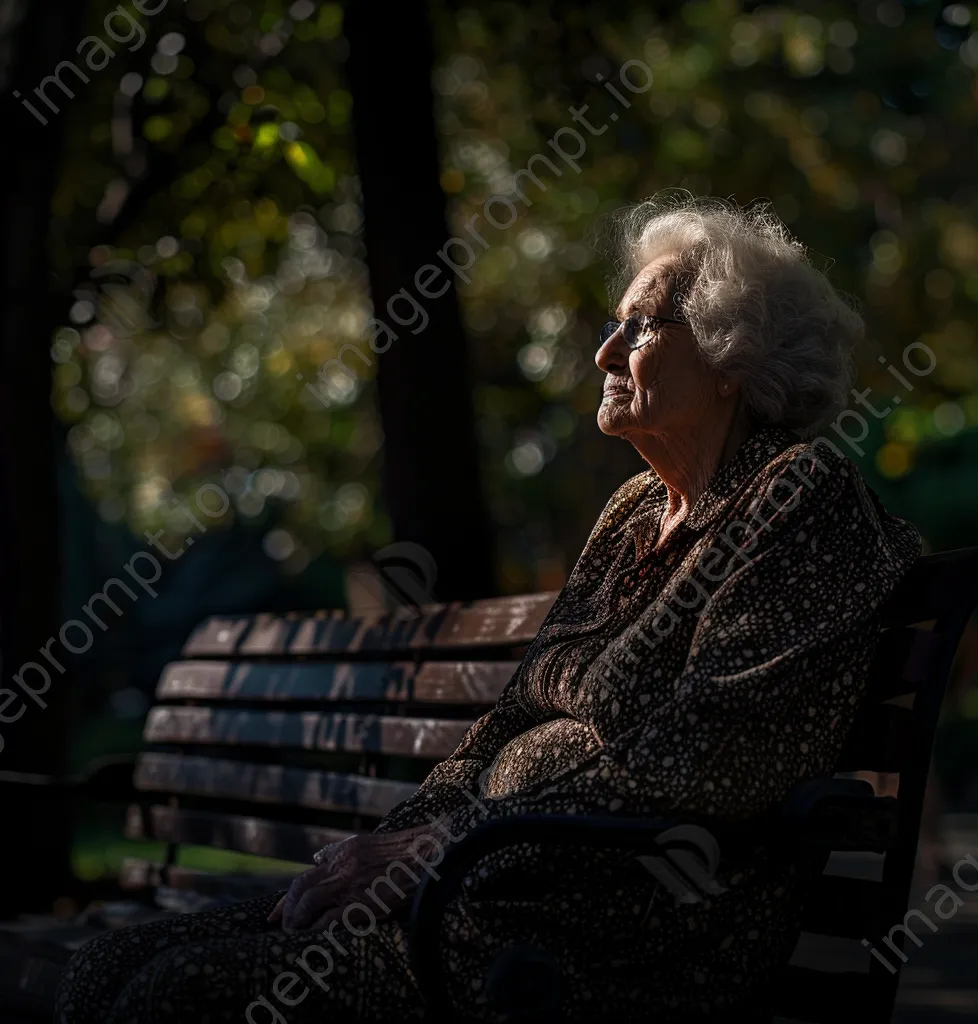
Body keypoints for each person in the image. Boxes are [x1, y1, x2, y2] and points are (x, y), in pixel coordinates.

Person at [55, 195, 922, 1023]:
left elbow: (715, 756)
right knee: (104, 966)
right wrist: (389, 848)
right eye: (609, 326)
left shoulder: (796, 500)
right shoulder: (628, 517)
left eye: (640, 327)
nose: (605, 353)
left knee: (180, 995)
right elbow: (512, 716)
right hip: (483, 887)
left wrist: (446, 844)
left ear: (732, 357)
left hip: (615, 931)